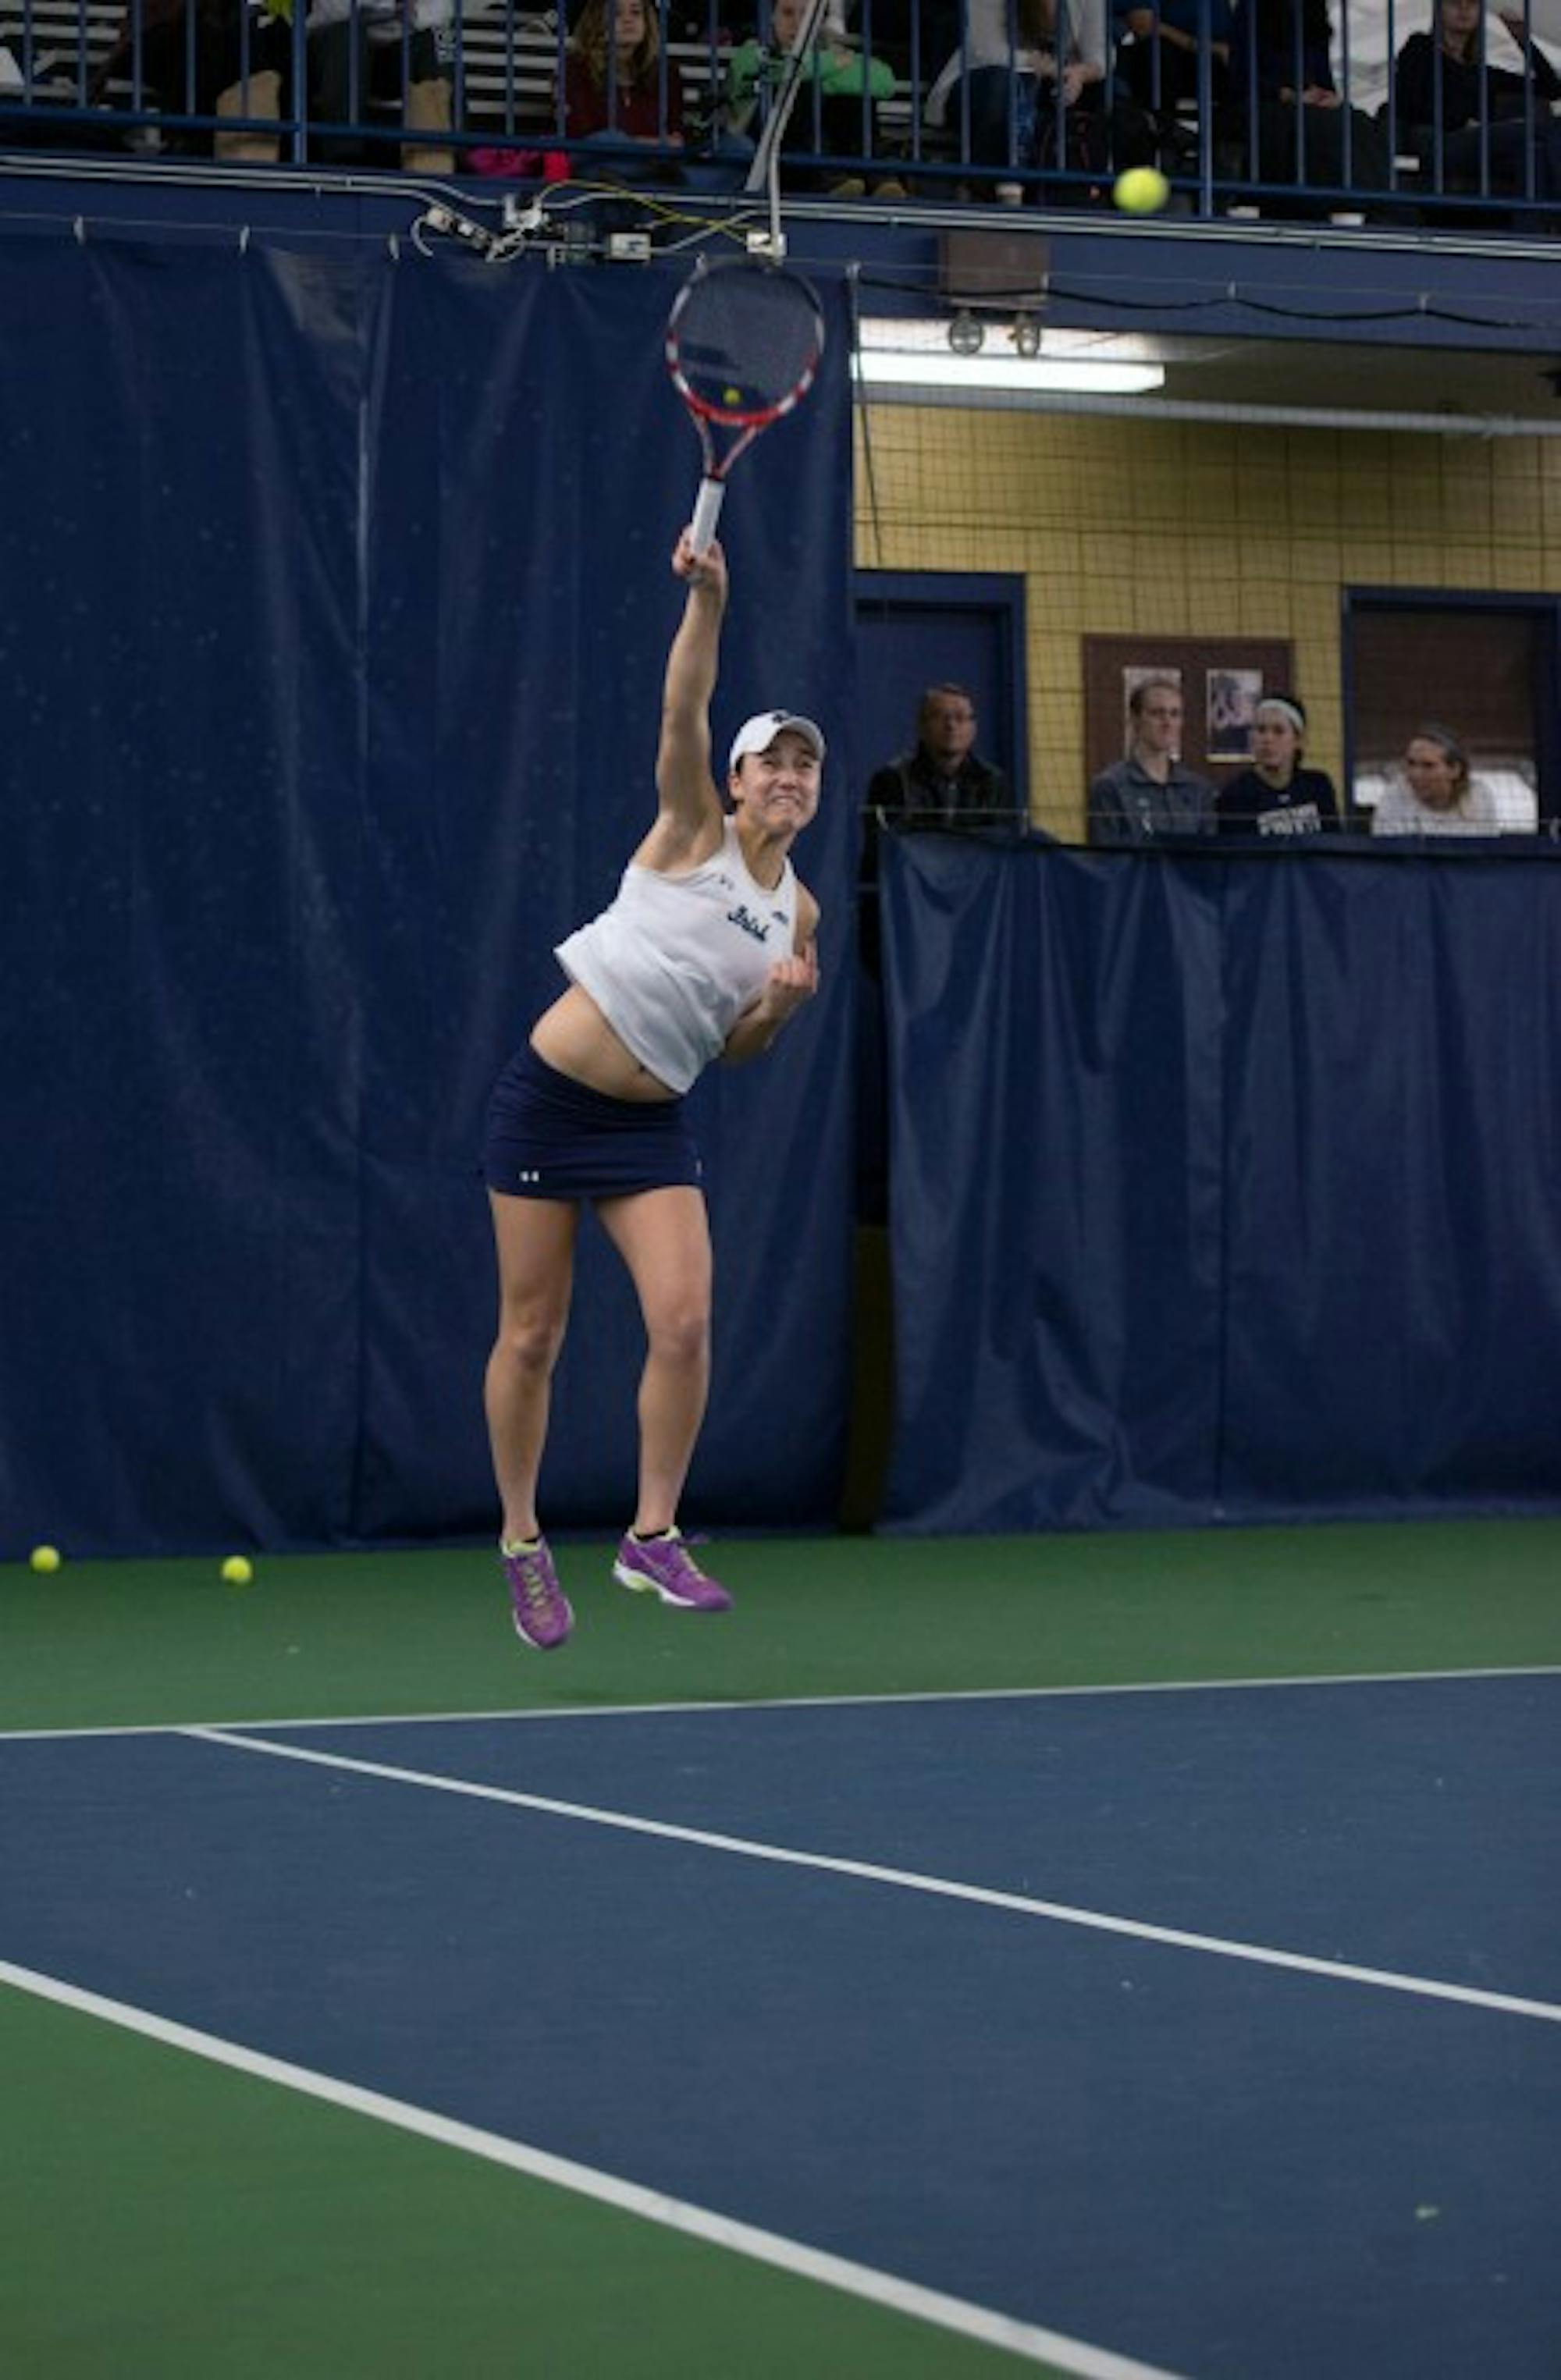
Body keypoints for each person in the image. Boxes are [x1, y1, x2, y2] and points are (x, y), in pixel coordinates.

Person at [482, 531, 823, 1650]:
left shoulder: (799, 917)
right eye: (772, 760)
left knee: (683, 1320)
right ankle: (525, 1544)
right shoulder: (689, 829)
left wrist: (776, 1008)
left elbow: (735, 1050)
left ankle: (651, 1534)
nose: (787, 777)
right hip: (548, 1102)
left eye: (805, 766)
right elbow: (686, 703)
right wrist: (711, 603)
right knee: (534, 1334)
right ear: (736, 779)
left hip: (649, 1123)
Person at [721, 0, 906, 197]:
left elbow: (884, 82)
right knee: (801, 89)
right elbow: (785, 72)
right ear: (771, 18)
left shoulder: (826, 51)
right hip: (768, 153)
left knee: (853, 101)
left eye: (806, 15)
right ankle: (823, 177)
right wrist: (835, 67)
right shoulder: (750, 53)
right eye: (788, 14)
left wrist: (818, 72)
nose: (797, 24)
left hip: (822, 145)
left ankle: (876, 178)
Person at [1393, 0, 1561, 215]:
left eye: (1472, 4)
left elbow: (1552, 89)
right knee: (1542, 128)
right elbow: (1408, 102)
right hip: (1438, 141)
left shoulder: (1483, 73)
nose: (1464, 9)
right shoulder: (1420, 48)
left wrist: (1522, 39)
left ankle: (1531, 232)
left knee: (1535, 155)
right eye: (1454, 3)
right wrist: (1461, 122)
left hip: (1480, 148)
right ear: (1439, 10)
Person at [1225, 0, 1391, 208]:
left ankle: (1373, 203)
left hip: (1307, 104)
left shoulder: (1312, 10)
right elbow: (1241, 75)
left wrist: (1328, 97)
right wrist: (1289, 95)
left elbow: (1322, 76)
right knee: (1320, 127)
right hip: (1266, 105)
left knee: (1357, 121)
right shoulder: (1253, 7)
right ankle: (1341, 202)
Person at [866, 684, 1016, 832]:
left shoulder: (993, 783)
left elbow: (1003, 849)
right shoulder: (892, 780)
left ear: (973, 729)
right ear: (922, 726)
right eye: (940, 716)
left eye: (960, 717)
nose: (951, 725)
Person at [561, 0, 687, 170]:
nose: (628, 20)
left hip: (656, 169)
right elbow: (585, 137)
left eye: (636, 13)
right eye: (616, 14)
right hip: (598, 166)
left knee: (731, 148)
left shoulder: (667, 72)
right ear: (596, 21)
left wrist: (642, 146)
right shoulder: (576, 67)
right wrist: (648, 145)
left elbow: (676, 139)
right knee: (609, 141)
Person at [1087, 676, 1215, 841]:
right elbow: (1105, 859)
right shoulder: (1110, 787)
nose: (1167, 722)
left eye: (1175, 714)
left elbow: (1208, 857)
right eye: (1157, 713)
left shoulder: (1198, 789)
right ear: (1135, 720)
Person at [1214, 694, 1342, 838]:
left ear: (1298, 740)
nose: (1268, 739)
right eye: (1261, 730)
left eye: (1278, 731)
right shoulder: (1236, 795)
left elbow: (1334, 843)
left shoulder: (1318, 786)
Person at [1370, 723, 1501, 837]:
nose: (1415, 774)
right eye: (1411, 763)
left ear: (1455, 770)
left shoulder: (1478, 796)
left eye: (1428, 766)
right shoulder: (1394, 795)